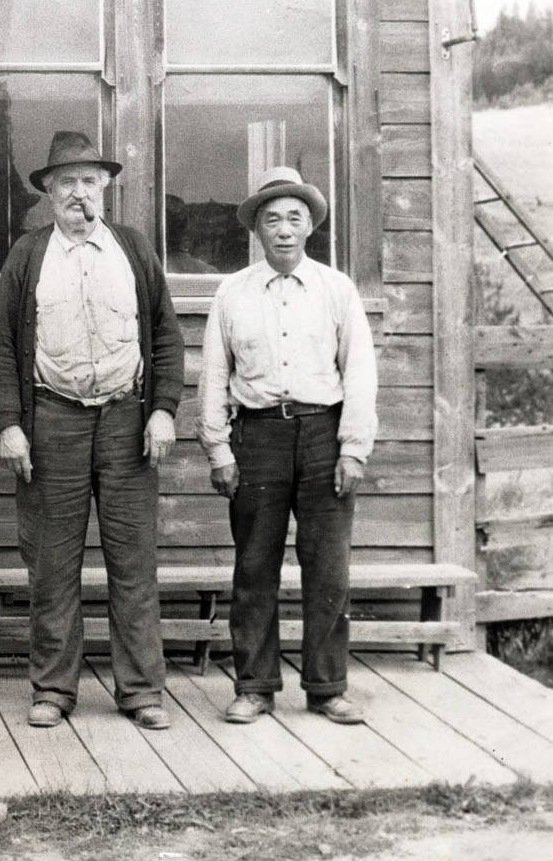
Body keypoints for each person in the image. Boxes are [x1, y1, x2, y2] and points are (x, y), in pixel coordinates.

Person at [0, 131, 183, 731]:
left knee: (133, 561)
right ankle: (53, 689)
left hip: (127, 421)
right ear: (47, 191)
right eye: (66, 182)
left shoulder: (132, 248)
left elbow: (167, 336)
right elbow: (1, 347)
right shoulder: (28, 254)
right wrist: (11, 425)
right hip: (53, 422)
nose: (79, 193)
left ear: (106, 188)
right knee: (51, 564)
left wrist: (164, 409)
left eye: (90, 181)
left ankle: (142, 691)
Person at [198, 166, 377, 725]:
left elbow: (361, 373)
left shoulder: (336, 289)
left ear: (309, 227)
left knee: (328, 570)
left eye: (294, 218)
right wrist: (219, 450)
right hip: (258, 438)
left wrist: (353, 448)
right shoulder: (232, 292)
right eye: (271, 219)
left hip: (324, 434)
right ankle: (254, 685)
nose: (283, 229)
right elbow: (211, 375)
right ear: (256, 228)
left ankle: (326, 688)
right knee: (254, 567)